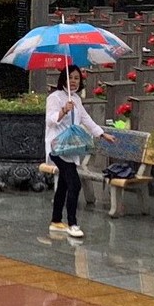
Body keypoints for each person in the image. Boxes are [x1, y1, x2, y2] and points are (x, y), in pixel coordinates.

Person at [46, 63, 106, 241]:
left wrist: (102, 134)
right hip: (57, 148)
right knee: (75, 184)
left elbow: (86, 119)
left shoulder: (77, 99)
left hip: (71, 148)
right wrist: (64, 110)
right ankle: (72, 224)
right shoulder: (55, 97)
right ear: (63, 79)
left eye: (77, 78)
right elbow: (50, 121)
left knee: (64, 185)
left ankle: (56, 221)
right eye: (70, 77)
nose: (73, 81)